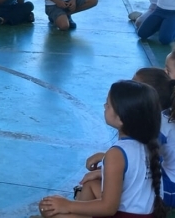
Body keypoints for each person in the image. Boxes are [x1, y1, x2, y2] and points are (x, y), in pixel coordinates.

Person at [38, 80, 166, 218]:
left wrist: (66, 205)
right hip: (142, 214)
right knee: (90, 185)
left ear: (121, 118)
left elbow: (108, 208)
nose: (104, 106)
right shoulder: (148, 143)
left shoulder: (117, 154)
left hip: (123, 214)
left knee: (47, 208)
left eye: (108, 105)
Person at [132, 67, 175, 208]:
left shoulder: (160, 123)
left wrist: (105, 161)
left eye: (134, 86)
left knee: (127, 180)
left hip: (171, 189)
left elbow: (138, 159)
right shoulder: (167, 117)